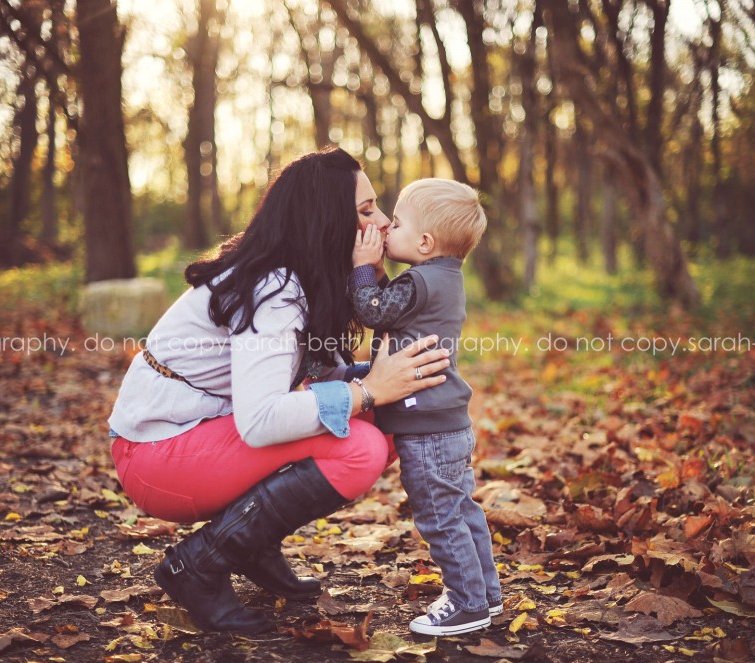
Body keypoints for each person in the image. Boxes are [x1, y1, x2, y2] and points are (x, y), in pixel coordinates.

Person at [107, 148, 452, 633]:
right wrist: (370, 390)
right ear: (326, 218)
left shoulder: (307, 279)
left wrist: (384, 378)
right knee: (360, 447)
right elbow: (262, 419)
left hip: (207, 433)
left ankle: (248, 543)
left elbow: (320, 380)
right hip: (156, 455)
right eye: (365, 210)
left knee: (394, 419)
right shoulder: (275, 289)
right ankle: (199, 565)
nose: (380, 222)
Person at [348, 178, 501, 636]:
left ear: (425, 242)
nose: (385, 229)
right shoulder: (442, 279)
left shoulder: (419, 281)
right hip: (449, 422)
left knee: (438, 516)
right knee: (462, 510)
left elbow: (375, 310)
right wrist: (378, 273)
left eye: (394, 224)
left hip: (428, 427)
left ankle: (466, 602)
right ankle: (486, 595)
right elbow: (393, 306)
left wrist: (361, 267)